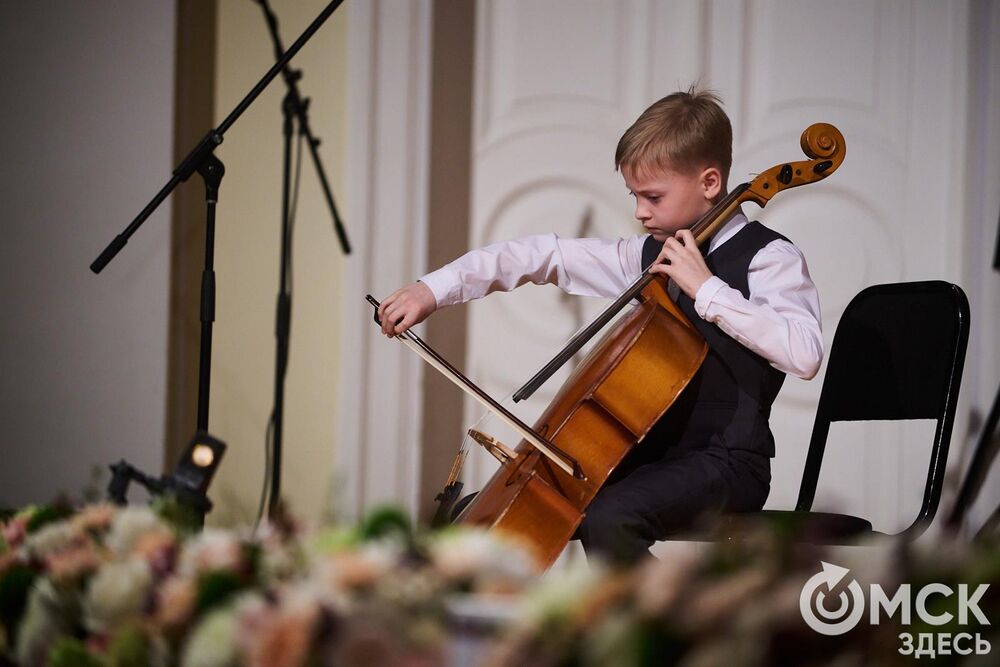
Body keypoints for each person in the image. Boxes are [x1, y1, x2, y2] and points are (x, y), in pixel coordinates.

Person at [376, 87, 823, 565]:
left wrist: (707, 289)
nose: (639, 212)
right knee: (485, 511)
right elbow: (542, 255)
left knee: (612, 516)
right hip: (649, 457)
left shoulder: (769, 258)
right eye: (634, 196)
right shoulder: (649, 256)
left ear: (710, 182)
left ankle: (655, 638)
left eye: (653, 196)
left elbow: (804, 353)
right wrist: (433, 289)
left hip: (728, 465)